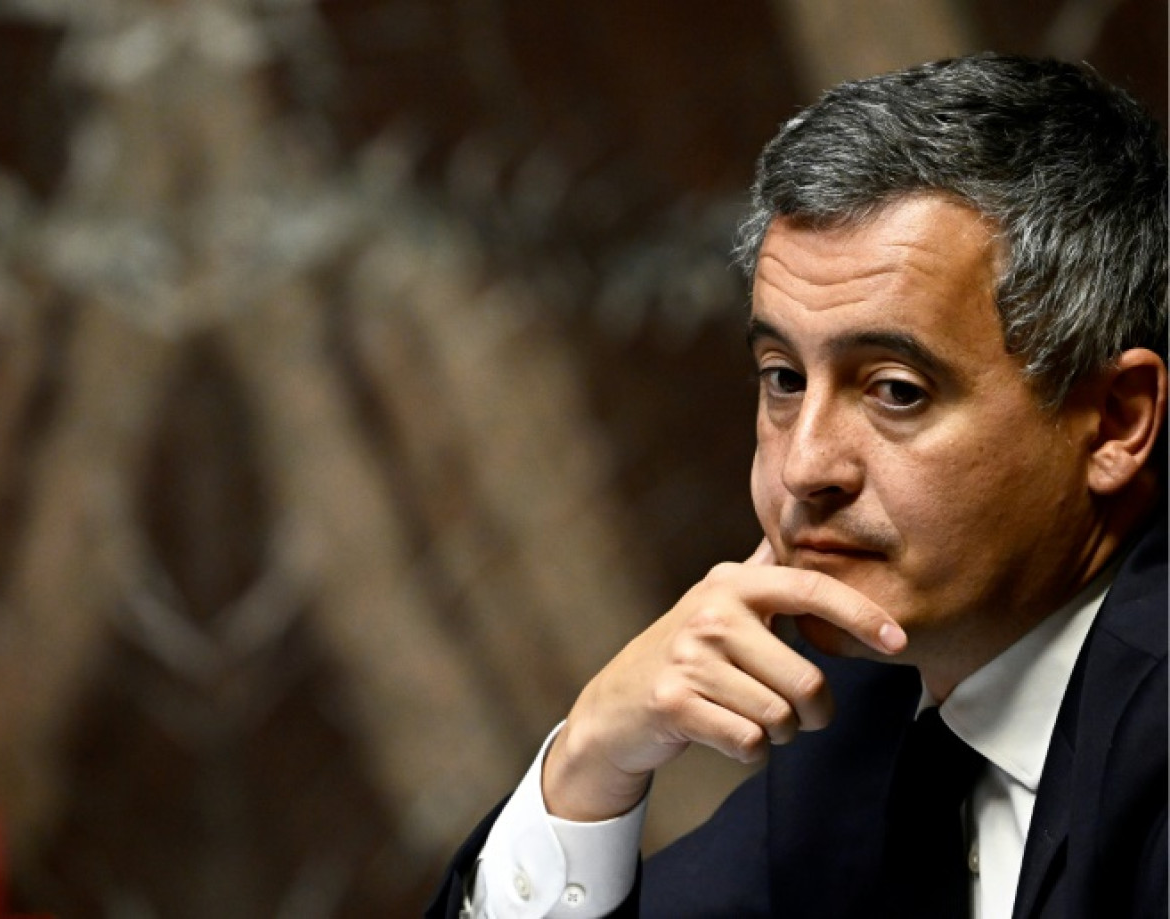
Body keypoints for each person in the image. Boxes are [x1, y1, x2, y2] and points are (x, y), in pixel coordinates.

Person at [425, 54, 1167, 919]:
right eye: (782, 377)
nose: (805, 465)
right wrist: (588, 765)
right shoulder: (860, 702)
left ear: (1115, 420)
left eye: (896, 389)